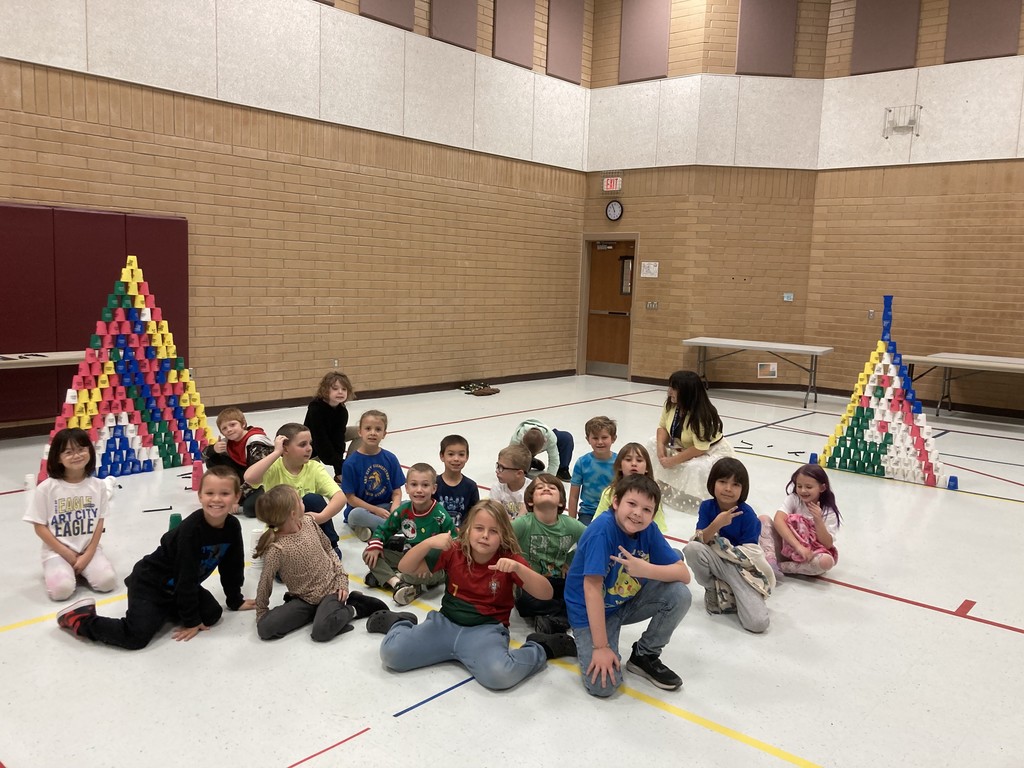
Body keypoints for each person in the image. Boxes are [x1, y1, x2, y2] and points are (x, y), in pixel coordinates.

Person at [371, 500, 575, 691]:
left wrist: (518, 569)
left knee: (499, 676)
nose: (485, 535)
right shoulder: (454, 549)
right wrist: (428, 543)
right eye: (479, 528)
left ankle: (543, 647)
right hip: (445, 624)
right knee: (391, 655)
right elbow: (405, 567)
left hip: (486, 631)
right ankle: (400, 622)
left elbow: (546, 593)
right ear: (467, 529)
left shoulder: (509, 560)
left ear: (503, 535)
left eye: (493, 531)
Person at [55, 466, 255, 649]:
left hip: (177, 587)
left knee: (212, 615)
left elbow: (232, 566)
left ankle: (163, 609)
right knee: (136, 637)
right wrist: (191, 621)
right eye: (210, 493)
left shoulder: (232, 526)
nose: (216, 499)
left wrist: (235, 600)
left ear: (237, 496)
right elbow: (185, 577)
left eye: (225, 493)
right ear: (200, 496)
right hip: (150, 583)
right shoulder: (191, 531)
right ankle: (80, 619)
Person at [564, 474, 692, 697]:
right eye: (631, 504)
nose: (637, 513)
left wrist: (646, 569)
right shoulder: (601, 531)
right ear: (615, 502)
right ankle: (564, 641)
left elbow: (684, 575)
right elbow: (592, 589)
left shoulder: (648, 529)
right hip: (590, 612)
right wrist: (601, 647)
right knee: (603, 686)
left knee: (680, 594)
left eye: (646, 509)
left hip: (625, 601)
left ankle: (645, 655)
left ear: (653, 515)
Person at [252, 486, 387, 641]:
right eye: (300, 500)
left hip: (330, 589)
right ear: (293, 513)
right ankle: (324, 614)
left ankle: (356, 607)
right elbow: (265, 581)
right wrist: (261, 612)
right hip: (303, 599)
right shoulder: (276, 548)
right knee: (265, 629)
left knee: (321, 632)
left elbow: (329, 549)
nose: (303, 501)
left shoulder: (309, 522)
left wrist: (341, 579)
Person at [24, 428, 117, 601]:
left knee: (107, 582)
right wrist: (67, 554)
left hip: (88, 550)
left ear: (90, 451)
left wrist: (88, 554)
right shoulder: (46, 488)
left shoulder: (98, 486)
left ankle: (81, 569)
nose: (76, 455)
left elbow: (99, 522)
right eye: (68, 452)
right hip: (57, 552)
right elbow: (39, 526)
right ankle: (62, 569)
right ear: (58, 458)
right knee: (62, 591)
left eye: (81, 449)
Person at [683, 457, 774, 633]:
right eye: (723, 482)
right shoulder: (707, 507)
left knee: (757, 624)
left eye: (735, 484)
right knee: (692, 548)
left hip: (739, 571)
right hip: (716, 562)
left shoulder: (747, 515)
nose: (728, 489)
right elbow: (699, 540)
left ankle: (731, 590)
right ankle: (711, 587)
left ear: (743, 489)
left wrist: (723, 548)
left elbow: (751, 555)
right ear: (713, 483)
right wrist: (717, 524)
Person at [244, 423, 345, 557]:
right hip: (282, 531)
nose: (309, 448)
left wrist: (322, 517)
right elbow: (249, 478)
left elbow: (340, 497)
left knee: (313, 499)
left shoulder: (314, 468)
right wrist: (276, 453)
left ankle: (331, 545)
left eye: (310, 443)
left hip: (309, 528)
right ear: (285, 449)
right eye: (302, 445)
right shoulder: (273, 468)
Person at [362, 463, 457, 605]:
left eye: (425, 485)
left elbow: (455, 542)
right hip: (409, 558)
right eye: (414, 484)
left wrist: (431, 563)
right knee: (369, 553)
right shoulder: (403, 511)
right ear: (406, 488)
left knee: (418, 575)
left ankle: (387, 578)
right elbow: (384, 530)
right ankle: (397, 583)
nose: (419, 490)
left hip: (432, 566)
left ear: (434, 488)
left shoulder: (441, 515)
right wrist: (376, 544)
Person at [512, 475, 586, 637]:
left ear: (561, 502)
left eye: (552, 488)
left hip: (557, 581)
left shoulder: (570, 525)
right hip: (530, 584)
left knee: (584, 595)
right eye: (540, 488)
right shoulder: (523, 523)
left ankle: (550, 619)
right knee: (525, 601)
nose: (546, 488)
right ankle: (560, 617)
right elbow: (503, 541)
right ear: (530, 501)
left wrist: (570, 560)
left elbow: (591, 542)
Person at [650, 370, 734, 512]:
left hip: (708, 450)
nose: (669, 392)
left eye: (673, 388)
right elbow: (663, 427)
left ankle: (689, 495)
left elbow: (700, 448)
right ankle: (661, 482)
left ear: (686, 393)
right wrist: (660, 448)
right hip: (682, 443)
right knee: (651, 443)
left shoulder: (702, 415)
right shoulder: (671, 404)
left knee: (695, 467)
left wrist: (672, 461)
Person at [759, 463, 841, 577]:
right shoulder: (794, 499)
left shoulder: (828, 510)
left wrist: (818, 520)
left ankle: (781, 567)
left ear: (822, 488)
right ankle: (771, 561)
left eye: (809, 487)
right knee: (763, 519)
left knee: (826, 562)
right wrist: (798, 546)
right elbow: (778, 519)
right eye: (799, 486)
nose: (803, 490)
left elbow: (827, 544)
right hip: (786, 548)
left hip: (808, 555)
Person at [341, 410, 405, 541]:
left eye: (378, 429)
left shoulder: (390, 458)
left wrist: (395, 507)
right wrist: (375, 510)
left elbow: (397, 491)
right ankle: (394, 528)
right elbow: (351, 498)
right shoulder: (350, 463)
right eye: (368, 428)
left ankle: (373, 530)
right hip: (362, 509)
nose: (373, 433)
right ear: (360, 432)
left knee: (411, 504)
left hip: (385, 507)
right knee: (356, 515)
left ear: (384, 434)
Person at [202, 406, 274, 516]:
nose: (229, 430)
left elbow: (257, 476)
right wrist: (213, 449)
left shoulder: (256, 442)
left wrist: (237, 498)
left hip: (264, 480)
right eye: (224, 428)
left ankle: (247, 495)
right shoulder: (228, 442)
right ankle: (231, 489)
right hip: (247, 476)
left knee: (250, 508)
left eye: (232, 425)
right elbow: (203, 456)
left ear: (243, 424)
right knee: (213, 458)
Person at [592, 442, 668, 533]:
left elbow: (659, 530)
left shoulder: (652, 495)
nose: (634, 464)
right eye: (628, 460)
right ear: (619, 466)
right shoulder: (609, 493)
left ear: (647, 468)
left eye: (639, 460)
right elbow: (597, 523)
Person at [304, 371, 356, 481]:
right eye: (335, 388)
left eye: (344, 389)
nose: (340, 392)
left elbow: (339, 439)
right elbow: (320, 439)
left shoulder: (342, 411)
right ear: (325, 390)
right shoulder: (316, 409)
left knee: (359, 432)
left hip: (329, 439)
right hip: (313, 444)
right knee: (313, 480)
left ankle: (349, 465)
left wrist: (340, 470)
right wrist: (336, 462)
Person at [568, 416, 618, 525]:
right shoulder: (582, 463)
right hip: (588, 513)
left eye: (604, 437)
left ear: (613, 438)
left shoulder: (620, 463)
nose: (600, 442)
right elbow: (573, 496)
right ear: (588, 440)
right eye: (595, 438)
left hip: (613, 512)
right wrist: (572, 523)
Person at [433, 434, 480, 528]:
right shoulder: (433, 484)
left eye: (461, 454)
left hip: (462, 534)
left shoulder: (471, 486)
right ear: (442, 456)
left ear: (467, 457)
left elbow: (475, 516)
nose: (456, 459)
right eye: (451, 454)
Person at [510, 418, 574, 481]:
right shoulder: (516, 439)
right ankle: (529, 461)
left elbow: (554, 460)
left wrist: (549, 479)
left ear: (544, 442)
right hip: (523, 451)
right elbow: (511, 457)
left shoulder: (550, 438)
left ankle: (562, 470)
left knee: (565, 438)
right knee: (519, 467)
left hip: (547, 436)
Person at [490, 443, 531, 518]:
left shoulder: (531, 489)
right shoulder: (497, 488)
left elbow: (522, 519)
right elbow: (501, 516)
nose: (497, 471)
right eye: (497, 466)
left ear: (519, 473)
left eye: (502, 468)